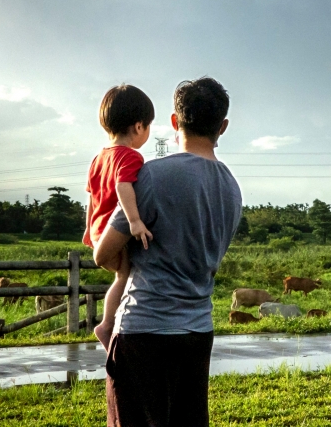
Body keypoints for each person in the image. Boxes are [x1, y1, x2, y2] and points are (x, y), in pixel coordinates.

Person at [93, 77, 242, 427]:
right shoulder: (232, 189)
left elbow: (102, 254)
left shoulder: (152, 176)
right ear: (223, 127)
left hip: (143, 331)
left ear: (175, 123)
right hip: (197, 333)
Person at [83, 84, 155, 350]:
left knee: (122, 276)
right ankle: (107, 325)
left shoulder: (98, 158)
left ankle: (115, 325)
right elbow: (123, 187)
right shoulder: (131, 157)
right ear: (139, 127)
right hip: (115, 233)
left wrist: (89, 230)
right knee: (123, 276)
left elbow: (91, 197)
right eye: (149, 127)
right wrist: (135, 221)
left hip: (98, 232)